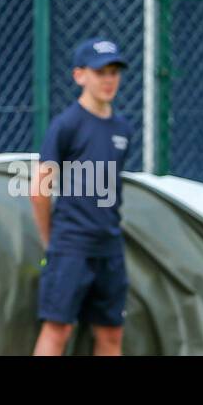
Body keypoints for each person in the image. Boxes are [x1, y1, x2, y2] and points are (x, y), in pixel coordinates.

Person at [30, 37, 133, 356]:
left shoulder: (123, 130)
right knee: (58, 329)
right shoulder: (66, 125)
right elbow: (38, 189)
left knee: (111, 333)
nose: (108, 80)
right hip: (70, 247)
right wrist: (52, 242)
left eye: (114, 72)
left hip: (110, 249)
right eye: (101, 72)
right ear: (80, 76)